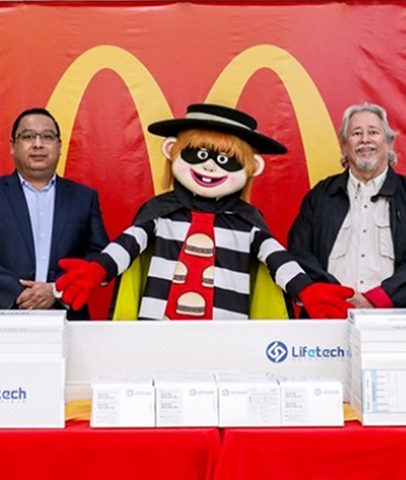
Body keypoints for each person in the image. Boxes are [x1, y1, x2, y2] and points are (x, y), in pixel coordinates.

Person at [56, 103, 353, 320]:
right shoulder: (160, 214)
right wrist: (96, 270)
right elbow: (128, 245)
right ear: (172, 150)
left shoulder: (247, 223)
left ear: (253, 168)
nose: (209, 166)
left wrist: (307, 290)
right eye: (198, 154)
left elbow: (277, 260)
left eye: (226, 159)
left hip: (226, 334)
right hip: (157, 332)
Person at [288, 102, 406, 310]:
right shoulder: (321, 195)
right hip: (329, 315)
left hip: (393, 318)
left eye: (373, 132)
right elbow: (299, 252)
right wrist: (336, 297)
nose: (365, 139)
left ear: (388, 143)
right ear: (344, 145)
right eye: (356, 133)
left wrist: (377, 299)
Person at [0, 107, 109, 319]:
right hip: (4, 315)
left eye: (47, 137)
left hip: (67, 317)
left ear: (59, 146)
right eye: (28, 136)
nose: (38, 144)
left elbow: (99, 254)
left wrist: (56, 289)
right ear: (13, 146)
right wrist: (18, 293)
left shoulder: (83, 197)